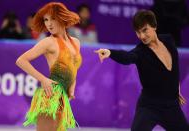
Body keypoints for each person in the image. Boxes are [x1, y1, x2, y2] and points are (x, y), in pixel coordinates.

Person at [95, 10, 189, 131]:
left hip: (172, 107)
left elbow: (174, 68)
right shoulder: (140, 52)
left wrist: (177, 89)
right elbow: (127, 57)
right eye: (138, 32)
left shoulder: (168, 40)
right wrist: (110, 53)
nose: (142, 36)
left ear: (154, 26)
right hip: (149, 107)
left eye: (145, 30)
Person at [16, 2, 82, 131]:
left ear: (62, 17)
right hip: (50, 96)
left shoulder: (76, 42)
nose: (49, 24)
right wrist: (43, 79)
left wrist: (72, 88)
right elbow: (21, 60)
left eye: (53, 19)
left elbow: (73, 67)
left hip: (62, 97)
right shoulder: (48, 42)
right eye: (46, 20)